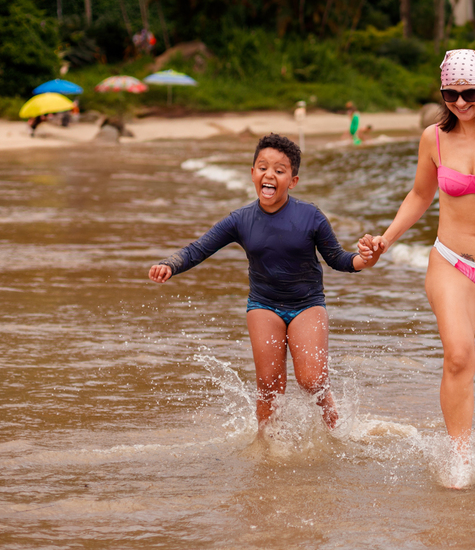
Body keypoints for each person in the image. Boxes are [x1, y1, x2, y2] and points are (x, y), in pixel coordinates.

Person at [361, 49, 475, 468]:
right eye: (450, 94)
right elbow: (421, 194)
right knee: (458, 355)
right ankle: (460, 458)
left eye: (469, 93)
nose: (460, 102)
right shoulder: (433, 138)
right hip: (451, 261)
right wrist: (385, 240)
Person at [148, 133, 380, 434]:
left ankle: (336, 431)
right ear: (253, 173)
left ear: (292, 181)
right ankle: (266, 443)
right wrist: (170, 264)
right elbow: (198, 249)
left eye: (279, 170)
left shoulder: (310, 217)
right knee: (269, 385)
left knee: (311, 381)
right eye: (262, 167)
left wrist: (367, 259)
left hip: (307, 305)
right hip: (263, 305)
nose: (269, 174)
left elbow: (339, 259)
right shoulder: (240, 219)